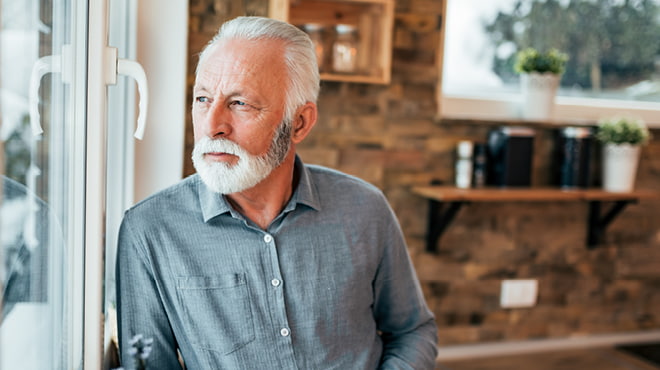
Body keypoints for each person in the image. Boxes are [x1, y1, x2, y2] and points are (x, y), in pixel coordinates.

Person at [116, 16, 438, 369]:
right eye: (203, 99)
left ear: (299, 122)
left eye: (240, 104)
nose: (212, 126)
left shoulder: (365, 208)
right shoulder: (149, 229)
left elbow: (412, 331)